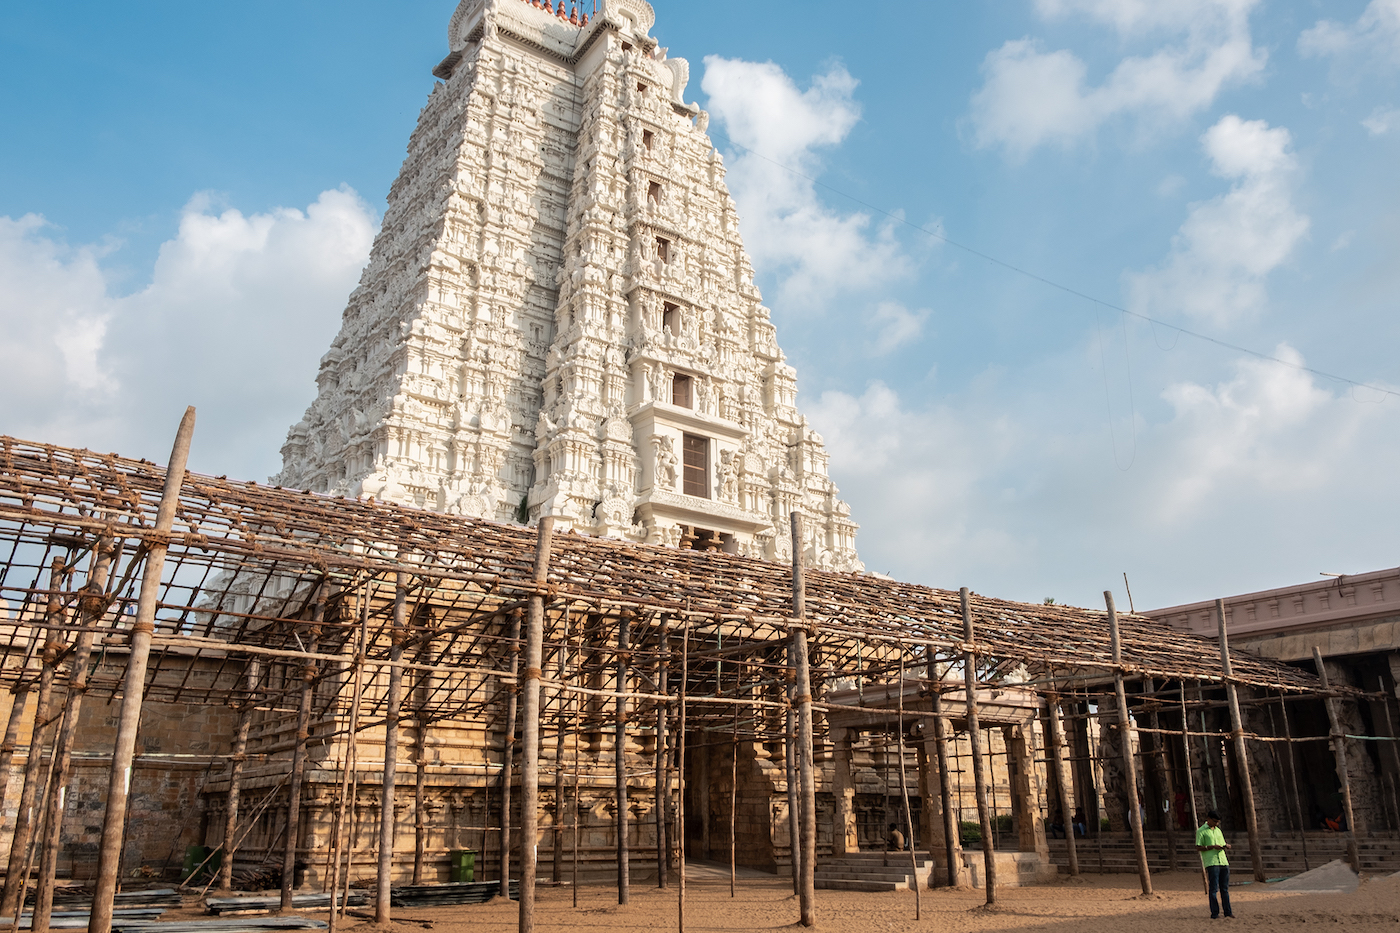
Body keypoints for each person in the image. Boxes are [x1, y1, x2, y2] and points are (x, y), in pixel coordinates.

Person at [1196, 810, 1233, 919]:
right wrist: (1211, 847)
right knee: (1213, 889)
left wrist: (1225, 846)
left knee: (1224, 888)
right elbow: (1198, 847)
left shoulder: (1218, 831)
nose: (1216, 824)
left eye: (1218, 822)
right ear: (1208, 819)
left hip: (1223, 861)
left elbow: (1221, 843)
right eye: (1215, 821)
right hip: (1211, 862)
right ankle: (1215, 913)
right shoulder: (1201, 831)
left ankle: (1228, 912)